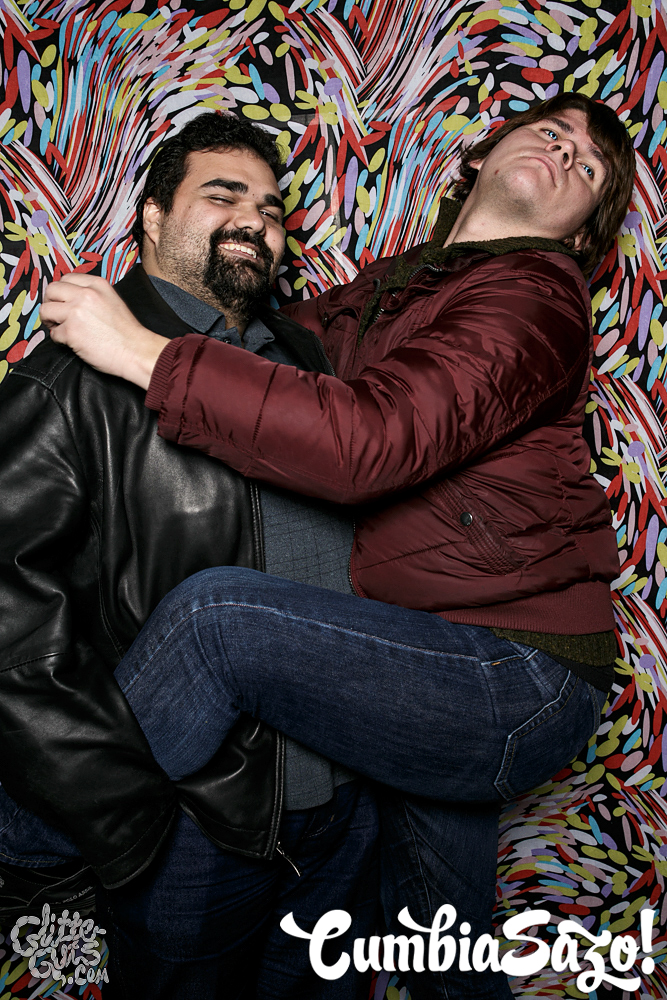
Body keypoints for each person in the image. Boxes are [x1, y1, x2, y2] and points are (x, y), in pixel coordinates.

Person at [42, 92, 635, 1000]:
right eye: (549, 132)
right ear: (479, 159)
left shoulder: (536, 297)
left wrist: (140, 352)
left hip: (512, 672)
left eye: (586, 167)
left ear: (582, 231)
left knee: (217, 622)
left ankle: (21, 842)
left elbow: (367, 443)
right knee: (442, 957)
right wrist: (158, 303)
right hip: (417, 656)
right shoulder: (386, 294)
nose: (563, 152)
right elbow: (268, 362)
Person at [0, 112, 379, 999]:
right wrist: (128, 816)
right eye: (223, 195)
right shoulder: (72, 378)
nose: (255, 219)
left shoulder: (311, 367)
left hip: (344, 812)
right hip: (196, 828)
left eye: (272, 208)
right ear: (152, 216)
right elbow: (10, 626)